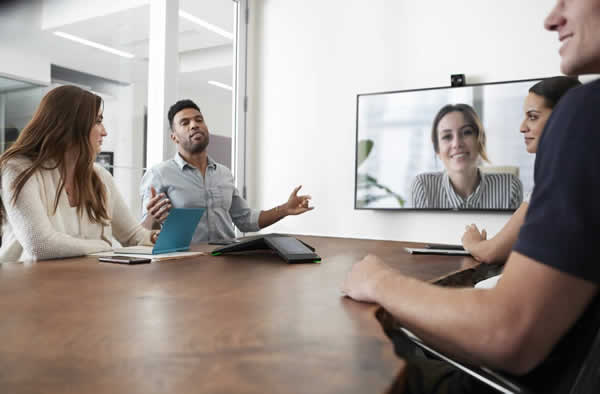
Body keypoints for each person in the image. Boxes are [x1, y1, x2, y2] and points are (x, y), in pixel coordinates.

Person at [342, 0, 600, 392]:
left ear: (478, 138)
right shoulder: (425, 185)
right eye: (445, 136)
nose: (551, 19)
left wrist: (378, 280)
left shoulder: (585, 114)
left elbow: (508, 329)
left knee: (362, 348)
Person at [0, 85, 157, 262]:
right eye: (97, 121)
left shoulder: (101, 176)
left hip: (84, 282)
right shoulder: (18, 169)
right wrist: (103, 246)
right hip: (25, 285)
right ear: (71, 125)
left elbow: (133, 235)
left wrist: (156, 238)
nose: (104, 132)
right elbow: (41, 244)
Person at [140, 99, 313, 243]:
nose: (194, 125)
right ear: (174, 137)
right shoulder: (159, 174)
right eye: (185, 123)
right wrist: (152, 219)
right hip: (182, 267)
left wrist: (284, 209)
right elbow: (143, 233)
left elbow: (245, 220)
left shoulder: (224, 174)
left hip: (226, 263)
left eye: (199, 120)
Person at [462, 76, 581, 266]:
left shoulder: (557, 181)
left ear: (564, 117)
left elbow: (491, 252)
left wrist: (471, 242)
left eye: (532, 117)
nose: (522, 127)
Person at [410, 103, 523, 209]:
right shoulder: (423, 187)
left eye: (466, 132)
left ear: (480, 140)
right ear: (437, 150)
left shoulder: (510, 187)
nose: (457, 144)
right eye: (447, 136)